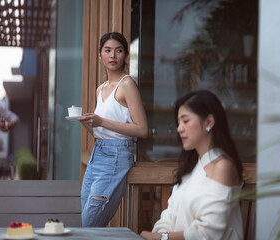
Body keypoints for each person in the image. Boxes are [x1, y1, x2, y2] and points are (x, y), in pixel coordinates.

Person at [140, 90, 244, 240]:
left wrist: (162, 238)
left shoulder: (222, 166)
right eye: (178, 122)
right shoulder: (191, 166)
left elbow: (209, 232)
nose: (179, 128)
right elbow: (169, 215)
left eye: (185, 121)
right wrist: (161, 235)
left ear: (208, 122)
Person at [79, 32, 148, 227]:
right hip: (97, 154)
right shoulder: (100, 89)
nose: (112, 56)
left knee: (89, 224)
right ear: (100, 54)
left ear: (125, 55)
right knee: (86, 222)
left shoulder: (127, 84)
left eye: (118, 51)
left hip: (116, 156)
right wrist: (88, 123)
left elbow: (142, 129)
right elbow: (103, 131)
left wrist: (101, 121)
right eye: (107, 50)